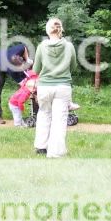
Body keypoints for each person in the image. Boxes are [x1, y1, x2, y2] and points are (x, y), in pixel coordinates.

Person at [33, 18, 77, 158]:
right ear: (61, 29)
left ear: (48, 30)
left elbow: (36, 69)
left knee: (44, 114)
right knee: (59, 119)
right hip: (63, 87)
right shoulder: (69, 46)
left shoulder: (41, 46)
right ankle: (55, 152)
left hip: (44, 87)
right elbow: (73, 67)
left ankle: (41, 147)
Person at [8, 69, 80, 127]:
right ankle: (18, 125)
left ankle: (68, 104)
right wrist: (22, 108)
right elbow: (20, 101)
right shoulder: (27, 90)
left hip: (44, 89)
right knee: (17, 114)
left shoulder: (31, 85)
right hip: (15, 104)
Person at [0, 43, 30, 124]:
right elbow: (23, 83)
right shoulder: (12, 69)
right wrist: (29, 86)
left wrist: (27, 60)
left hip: (6, 58)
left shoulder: (21, 48)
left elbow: (24, 47)